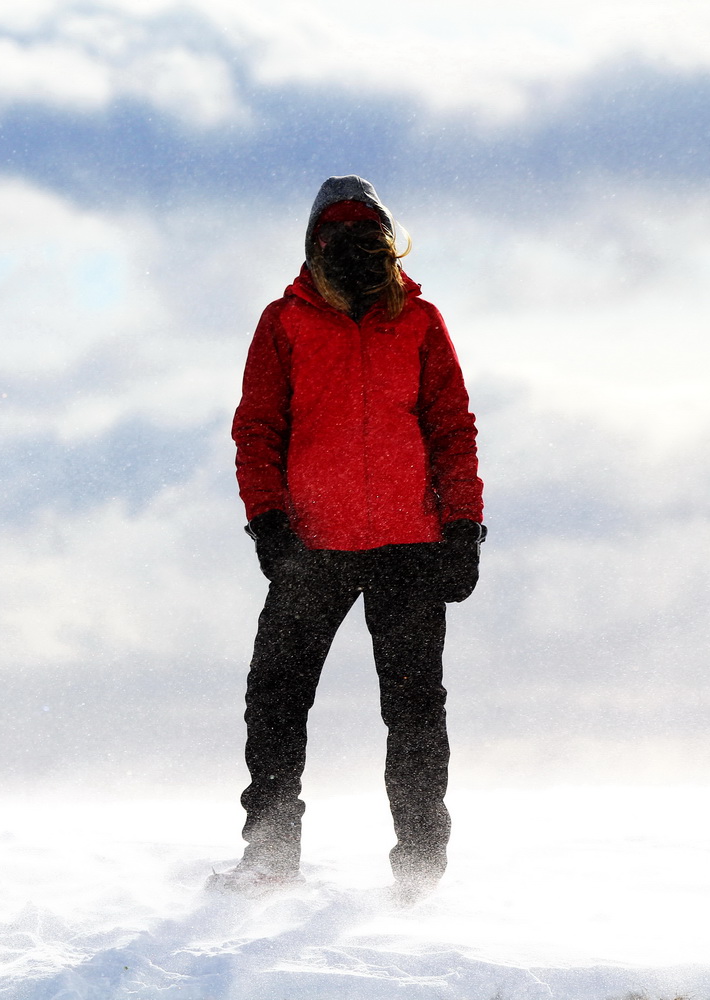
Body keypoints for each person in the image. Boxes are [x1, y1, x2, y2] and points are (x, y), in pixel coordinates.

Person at [210, 175, 485, 904]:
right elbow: (257, 431)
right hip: (312, 547)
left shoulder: (421, 322)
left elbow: (452, 430)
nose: (357, 250)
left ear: (390, 245)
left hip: (410, 546)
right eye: (341, 237)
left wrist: (463, 527)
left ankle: (421, 875)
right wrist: (268, 521)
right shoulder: (284, 323)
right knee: (276, 697)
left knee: (414, 711)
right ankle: (270, 857)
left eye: (370, 237)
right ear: (315, 247)